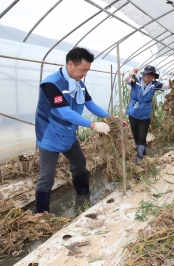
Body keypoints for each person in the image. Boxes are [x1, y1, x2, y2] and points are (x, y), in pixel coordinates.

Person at [35, 47, 111, 213]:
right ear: (70, 64)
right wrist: (93, 125)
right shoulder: (51, 84)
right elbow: (65, 112)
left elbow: (90, 104)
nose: (85, 74)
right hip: (50, 136)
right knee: (47, 176)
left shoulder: (78, 84)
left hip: (68, 134)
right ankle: (40, 214)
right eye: (83, 69)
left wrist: (110, 118)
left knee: (79, 164)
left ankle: (83, 196)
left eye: (87, 70)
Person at [123, 65, 174, 164]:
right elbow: (126, 79)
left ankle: (140, 158)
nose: (150, 79)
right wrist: (131, 72)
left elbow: (167, 86)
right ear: (144, 75)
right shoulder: (135, 81)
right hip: (133, 113)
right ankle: (141, 151)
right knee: (136, 135)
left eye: (152, 77)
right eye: (149, 76)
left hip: (145, 115)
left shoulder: (155, 85)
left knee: (142, 136)